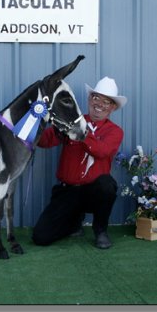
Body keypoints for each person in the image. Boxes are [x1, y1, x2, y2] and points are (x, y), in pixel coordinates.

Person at [32, 77, 127, 249]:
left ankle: (100, 230)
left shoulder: (115, 131)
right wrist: (36, 122)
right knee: (41, 237)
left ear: (113, 107)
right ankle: (73, 222)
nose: (99, 104)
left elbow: (102, 151)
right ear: (89, 99)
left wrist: (80, 131)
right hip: (67, 191)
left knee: (107, 184)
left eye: (106, 101)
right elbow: (45, 141)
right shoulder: (71, 120)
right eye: (96, 97)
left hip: (92, 192)